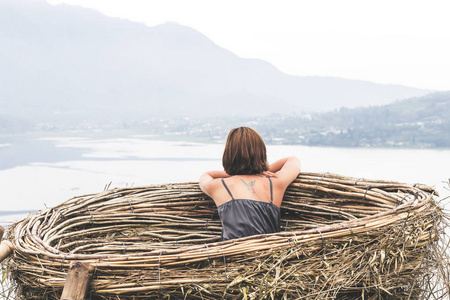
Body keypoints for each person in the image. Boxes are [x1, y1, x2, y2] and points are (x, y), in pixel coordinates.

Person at [199, 127, 301, 241]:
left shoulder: (219, 186)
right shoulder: (276, 183)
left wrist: (234, 174)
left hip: (232, 255)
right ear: (261, 151)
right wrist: (260, 170)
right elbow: (293, 160)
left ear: (229, 154)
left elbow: (205, 175)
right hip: (270, 254)